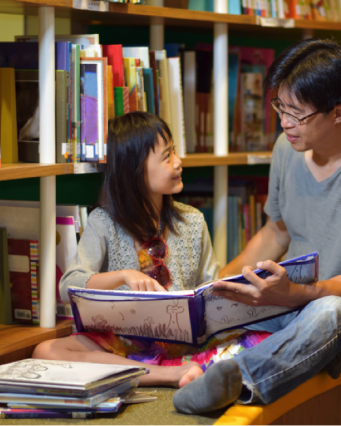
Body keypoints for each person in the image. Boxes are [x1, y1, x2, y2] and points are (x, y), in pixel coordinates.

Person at [173, 38, 341, 414]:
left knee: (330, 314)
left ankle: (239, 382)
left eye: (297, 113)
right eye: (280, 107)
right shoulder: (287, 148)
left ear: (338, 113)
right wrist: (216, 289)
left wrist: (301, 295)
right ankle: (304, 353)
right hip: (292, 299)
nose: (284, 122)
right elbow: (277, 232)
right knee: (212, 310)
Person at [33, 112, 271, 388]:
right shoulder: (104, 222)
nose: (179, 162)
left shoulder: (193, 221)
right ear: (136, 169)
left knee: (265, 338)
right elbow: (69, 286)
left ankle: (181, 368)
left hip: (187, 345)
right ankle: (170, 375)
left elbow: (210, 291)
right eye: (167, 156)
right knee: (46, 352)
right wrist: (123, 276)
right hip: (121, 344)